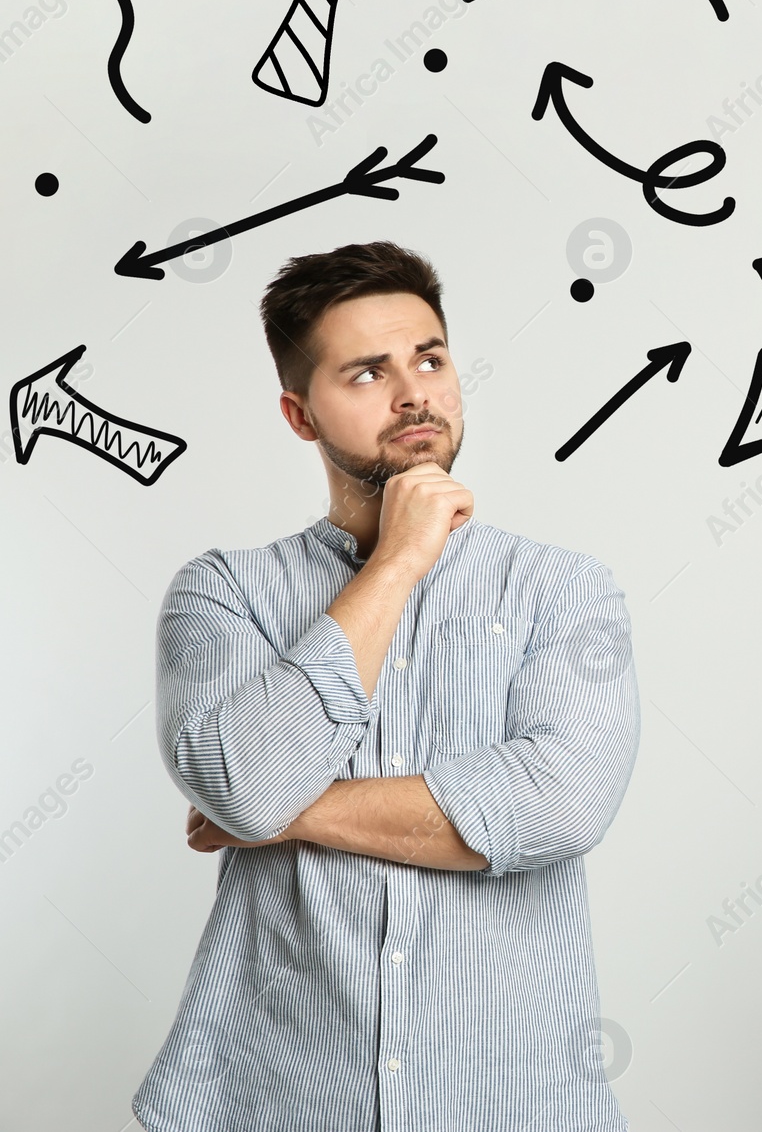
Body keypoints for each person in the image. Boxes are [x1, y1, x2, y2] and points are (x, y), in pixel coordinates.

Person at [133, 241, 640, 1132]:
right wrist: (401, 560)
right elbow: (240, 780)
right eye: (368, 372)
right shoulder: (223, 593)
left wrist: (282, 809)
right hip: (277, 1098)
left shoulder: (565, 590)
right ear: (300, 414)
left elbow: (560, 804)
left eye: (430, 359)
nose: (415, 393)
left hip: (510, 1100)